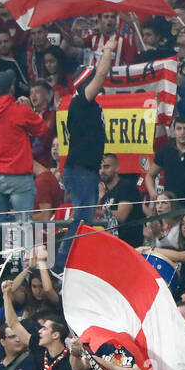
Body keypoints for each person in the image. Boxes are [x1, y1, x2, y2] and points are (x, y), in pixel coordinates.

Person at [0, 71, 49, 229]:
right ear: (12, 87)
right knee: (24, 225)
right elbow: (43, 130)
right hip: (19, 177)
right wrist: (29, 109)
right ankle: (24, 255)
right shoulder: (19, 111)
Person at [62, 36, 119, 229]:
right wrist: (108, 50)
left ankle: (70, 255)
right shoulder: (80, 102)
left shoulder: (86, 105)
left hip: (86, 171)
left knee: (85, 220)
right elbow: (102, 74)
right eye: (93, 79)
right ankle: (65, 258)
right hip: (81, 171)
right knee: (83, 221)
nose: (99, 82)